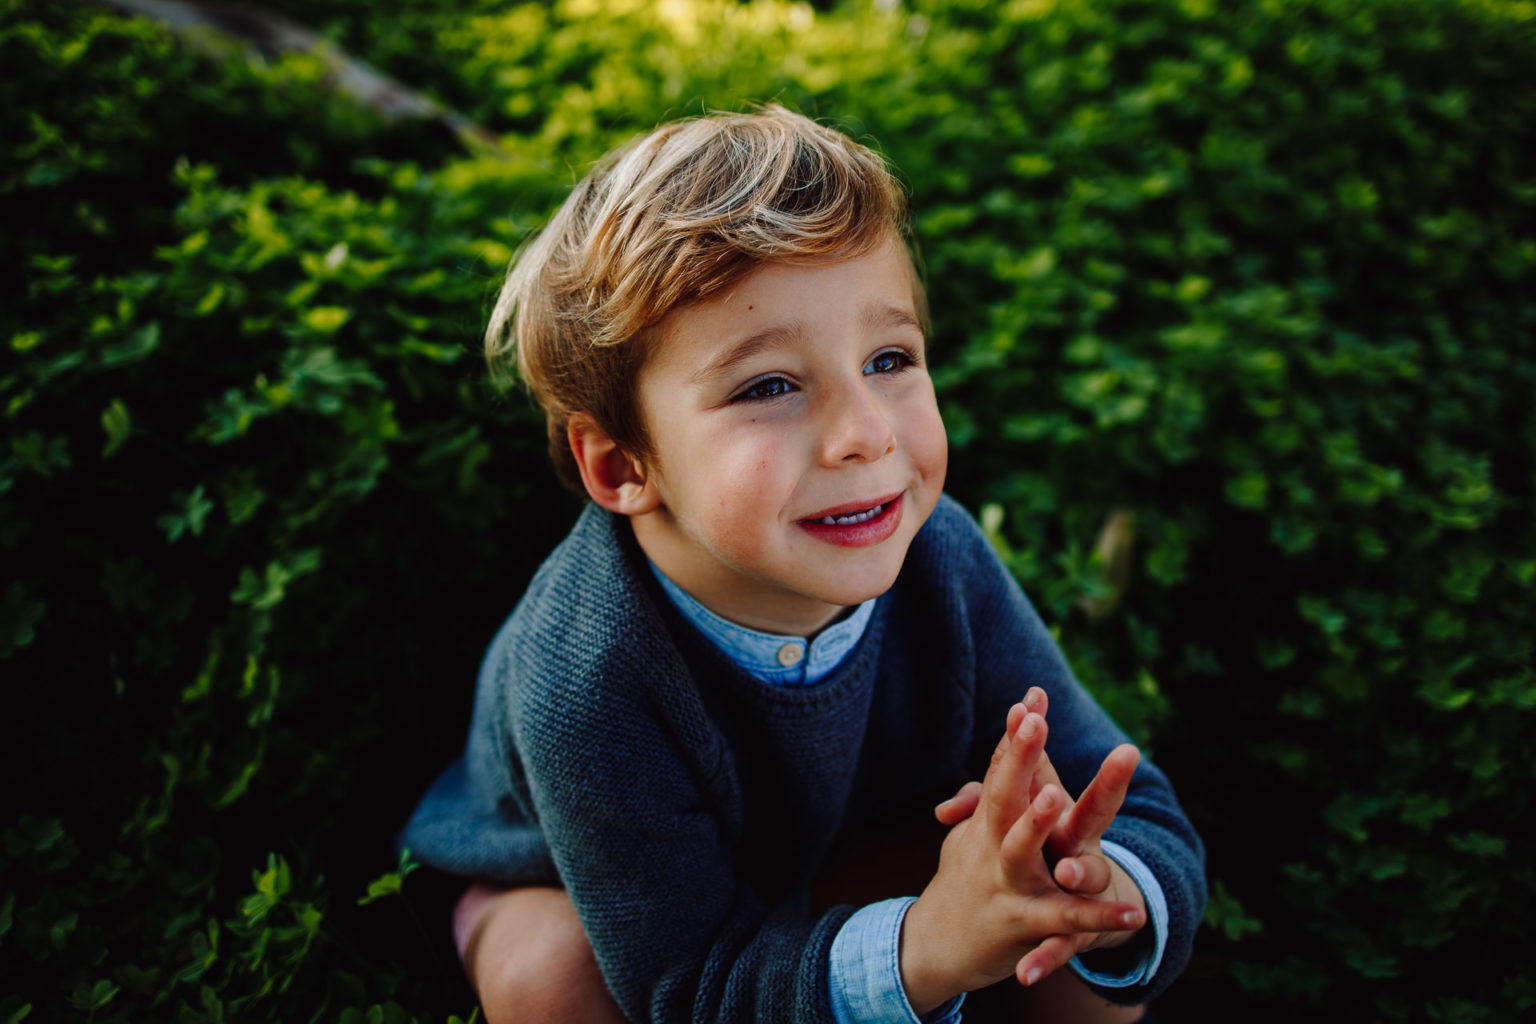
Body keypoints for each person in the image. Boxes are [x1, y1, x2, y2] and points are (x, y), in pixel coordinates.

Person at [398, 106, 1205, 1024]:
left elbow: (1131, 800)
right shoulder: (588, 674)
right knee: (551, 986)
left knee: (1061, 940)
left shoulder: (940, 556)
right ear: (623, 466)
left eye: (889, 358)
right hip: (614, 910)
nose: (864, 434)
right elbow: (687, 985)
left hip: (838, 846)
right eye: (770, 386)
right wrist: (923, 950)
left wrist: (1097, 883)